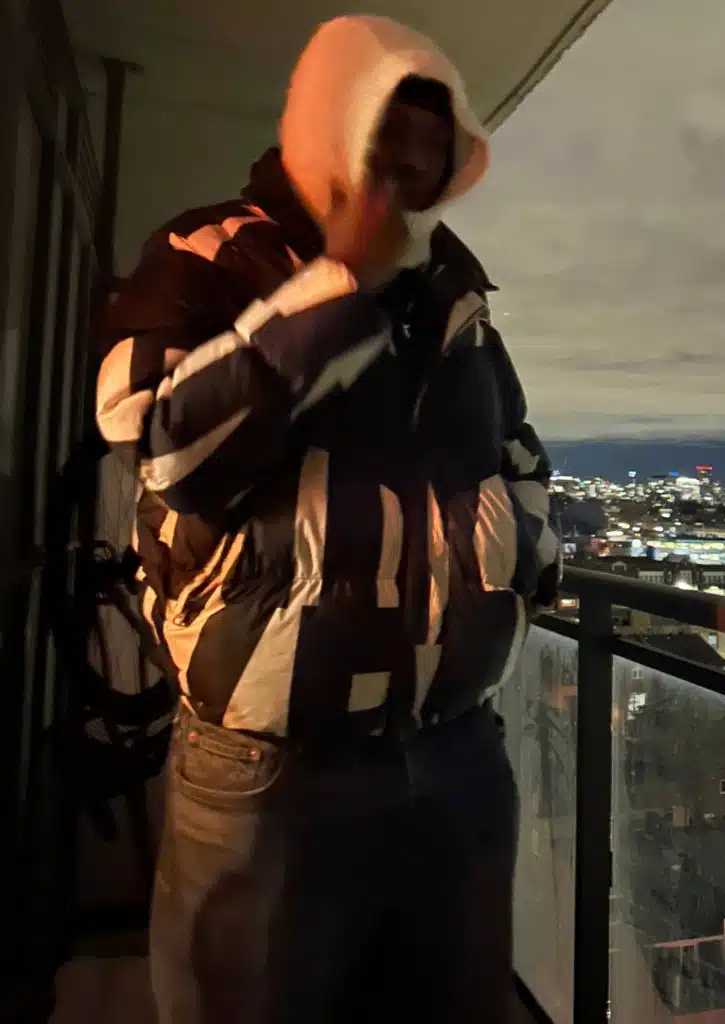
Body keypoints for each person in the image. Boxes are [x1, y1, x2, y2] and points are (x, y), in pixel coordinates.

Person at [94, 15, 558, 1024]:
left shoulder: (454, 295)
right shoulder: (207, 254)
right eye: (390, 134)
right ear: (329, 123)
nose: (411, 165)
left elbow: (519, 455)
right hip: (270, 774)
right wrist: (339, 284)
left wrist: (522, 559)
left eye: (434, 145)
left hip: (457, 754)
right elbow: (167, 451)